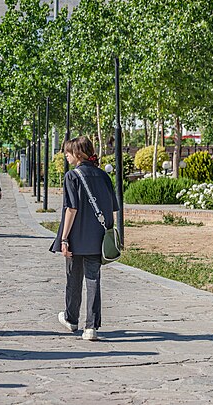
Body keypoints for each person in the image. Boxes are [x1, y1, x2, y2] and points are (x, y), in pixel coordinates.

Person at [49, 136, 118, 341]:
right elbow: (112, 209)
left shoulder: (72, 176)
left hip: (75, 238)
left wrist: (63, 238)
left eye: (68, 152)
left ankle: (71, 319)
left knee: (73, 279)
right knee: (93, 280)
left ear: (78, 154)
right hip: (97, 237)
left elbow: (71, 209)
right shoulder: (103, 176)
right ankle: (91, 327)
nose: (66, 156)